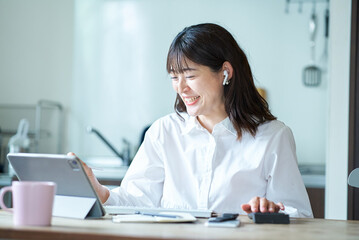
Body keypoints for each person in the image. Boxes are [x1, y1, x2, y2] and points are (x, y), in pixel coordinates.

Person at [71, 23, 313, 218]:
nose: (181, 88)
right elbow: (136, 199)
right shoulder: (164, 131)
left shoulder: (273, 136)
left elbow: (299, 214)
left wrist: (271, 211)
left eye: (190, 76)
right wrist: (100, 191)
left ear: (225, 73)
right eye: (174, 77)